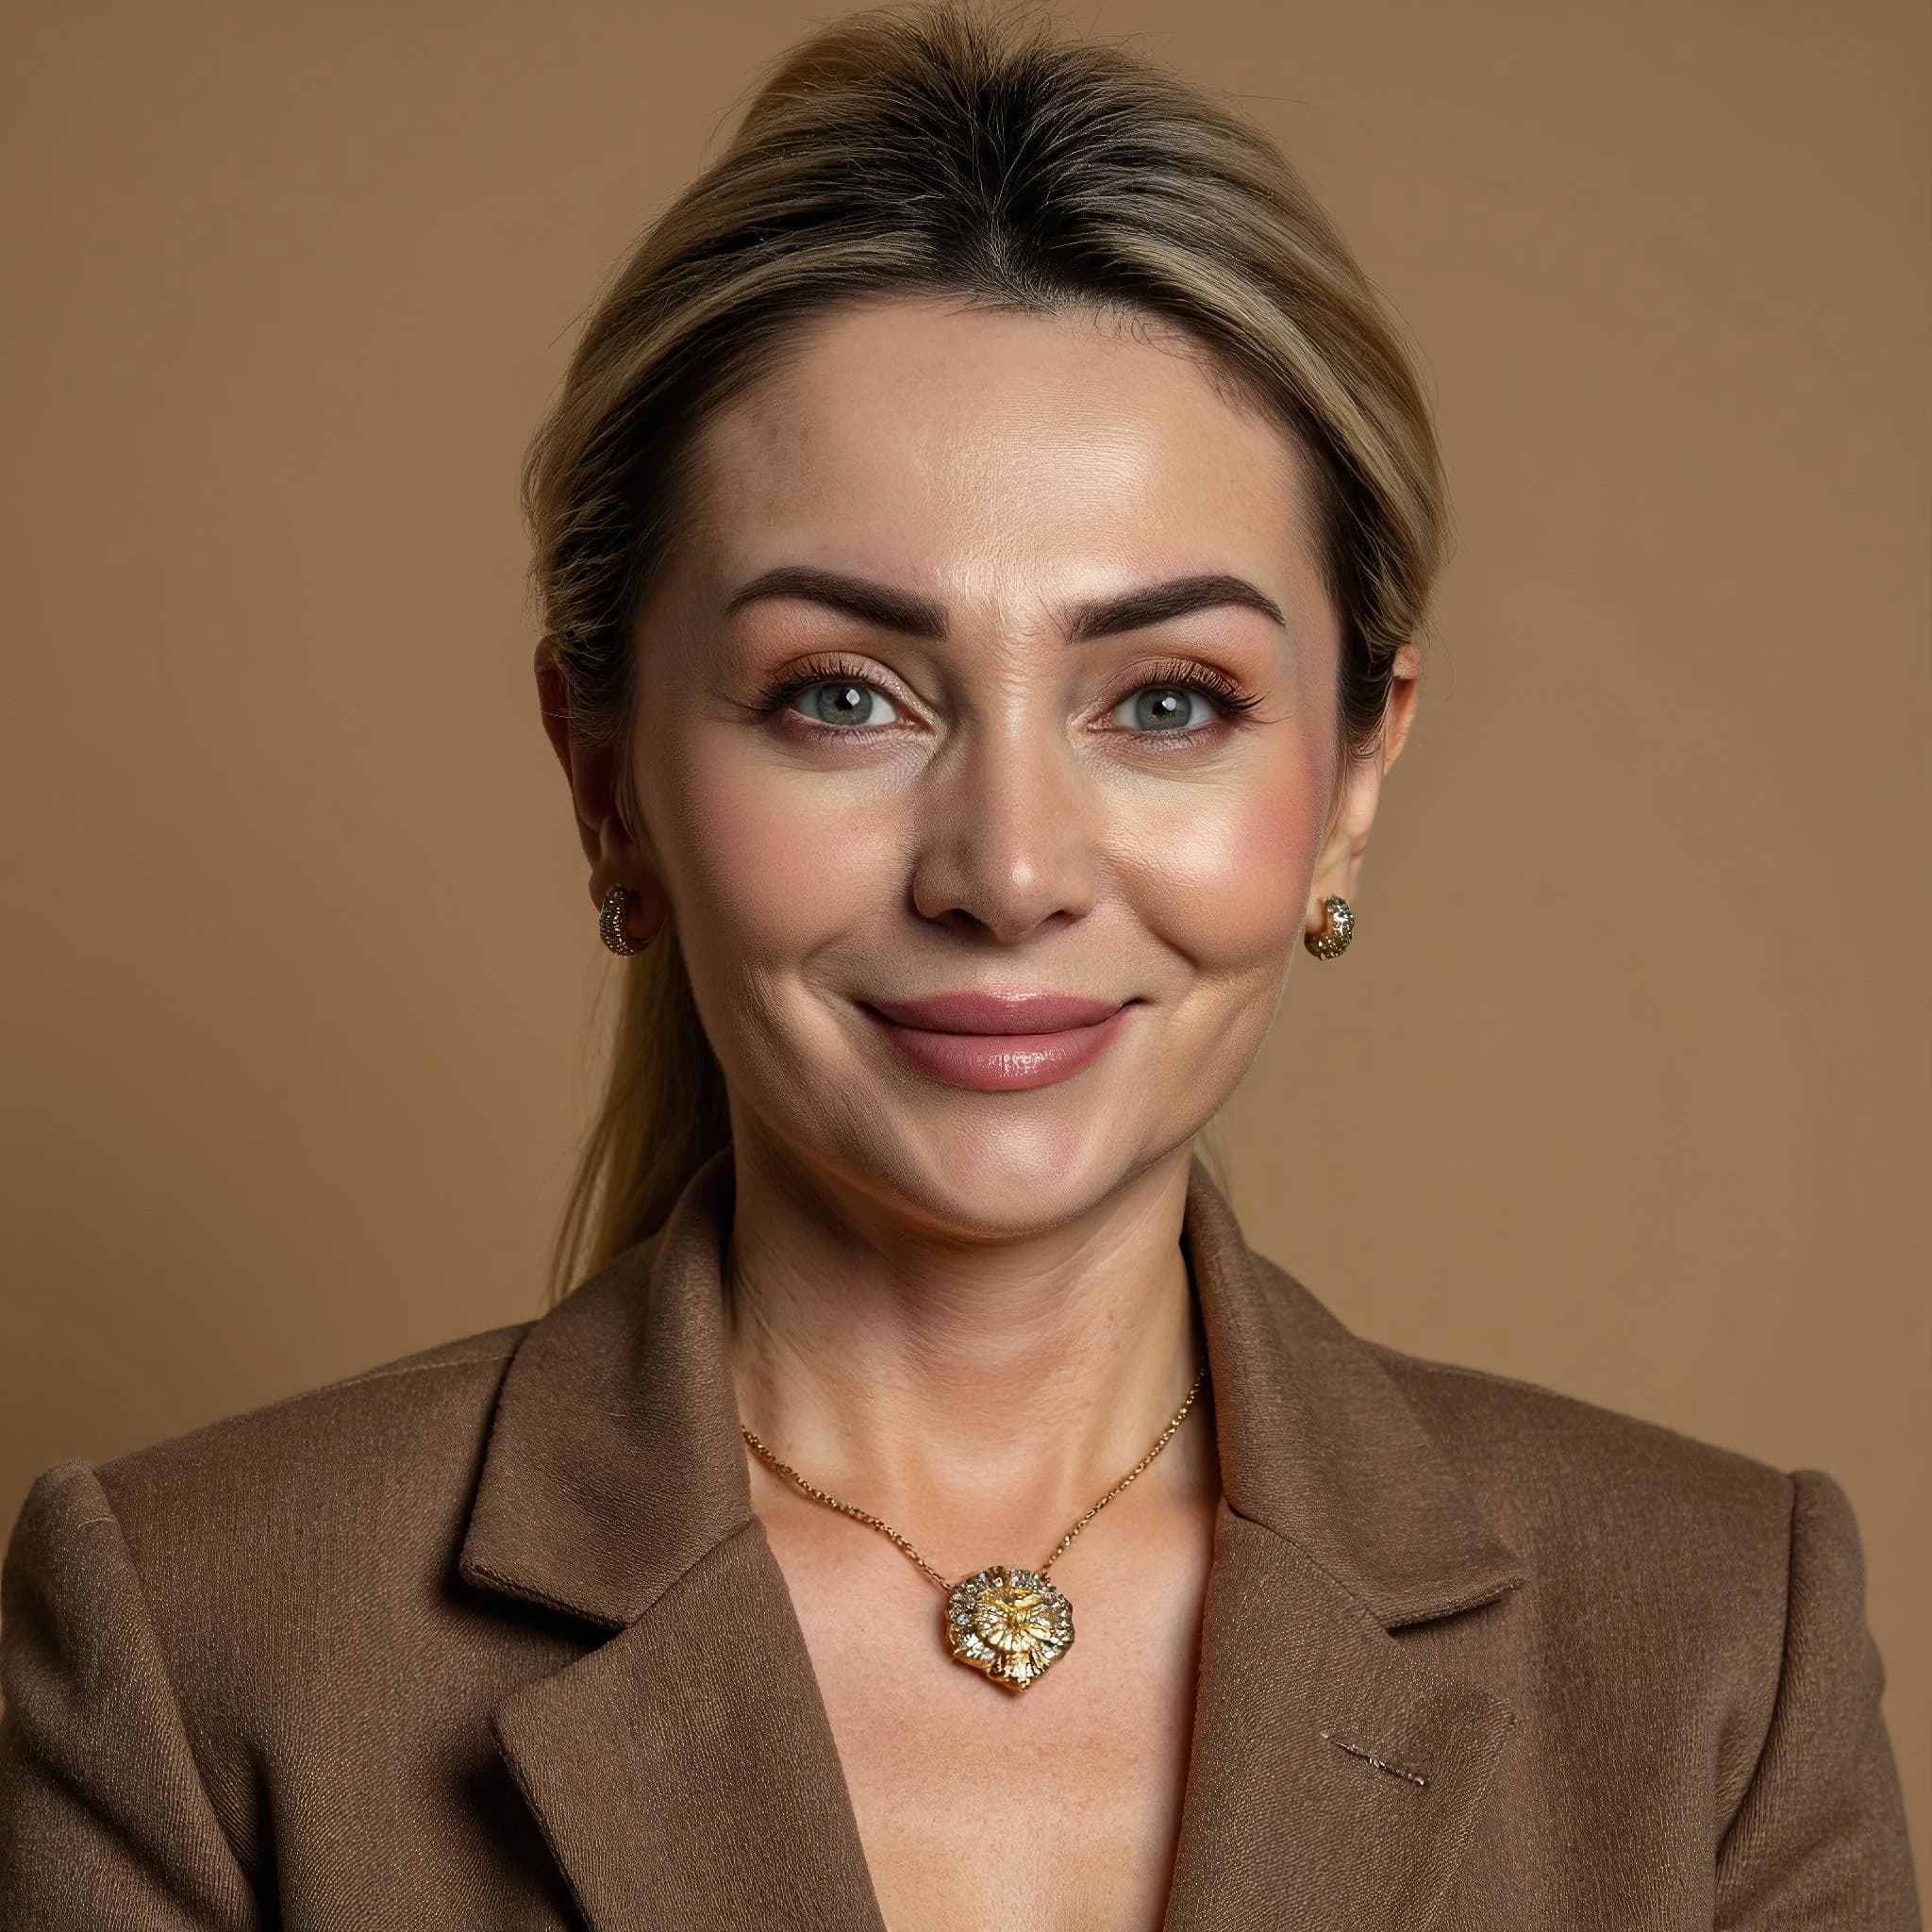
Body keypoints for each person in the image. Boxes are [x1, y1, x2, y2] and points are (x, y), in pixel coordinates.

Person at [0, 6, 1918, 1926]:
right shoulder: (194, 1647)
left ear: (1349, 778)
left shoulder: (1710, 1661)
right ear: (608, 779)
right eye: (841, 693)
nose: (1006, 869)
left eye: (1166, 700)